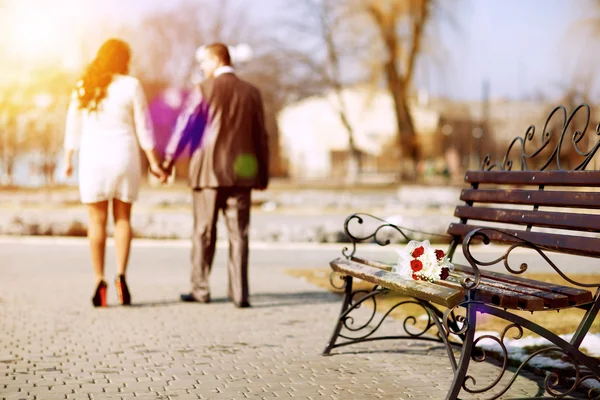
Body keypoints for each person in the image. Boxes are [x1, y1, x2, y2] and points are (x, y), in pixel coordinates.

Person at [163, 43, 269, 308]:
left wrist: (168, 160)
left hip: (207, 173)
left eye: (204, 62)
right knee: (239, 234)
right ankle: (240, 294)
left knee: (203, 231)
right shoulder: (251, 92)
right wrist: (263, 174)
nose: (201, 67)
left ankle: (200, 290)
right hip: (242, 176)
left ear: (216, 59)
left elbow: (185, 127)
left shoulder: (203, 89)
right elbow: (261, 137)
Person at [63, 38, 167, 307]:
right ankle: (121, 276)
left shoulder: (84, 85)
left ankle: (99, 280)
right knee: (123, 219)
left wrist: (68, 159)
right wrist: (154, 163)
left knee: (96, 222)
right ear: (124, 59)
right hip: (124, 155)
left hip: (93, 158)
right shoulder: (131, 85)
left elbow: (72, 126)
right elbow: (144, 128)